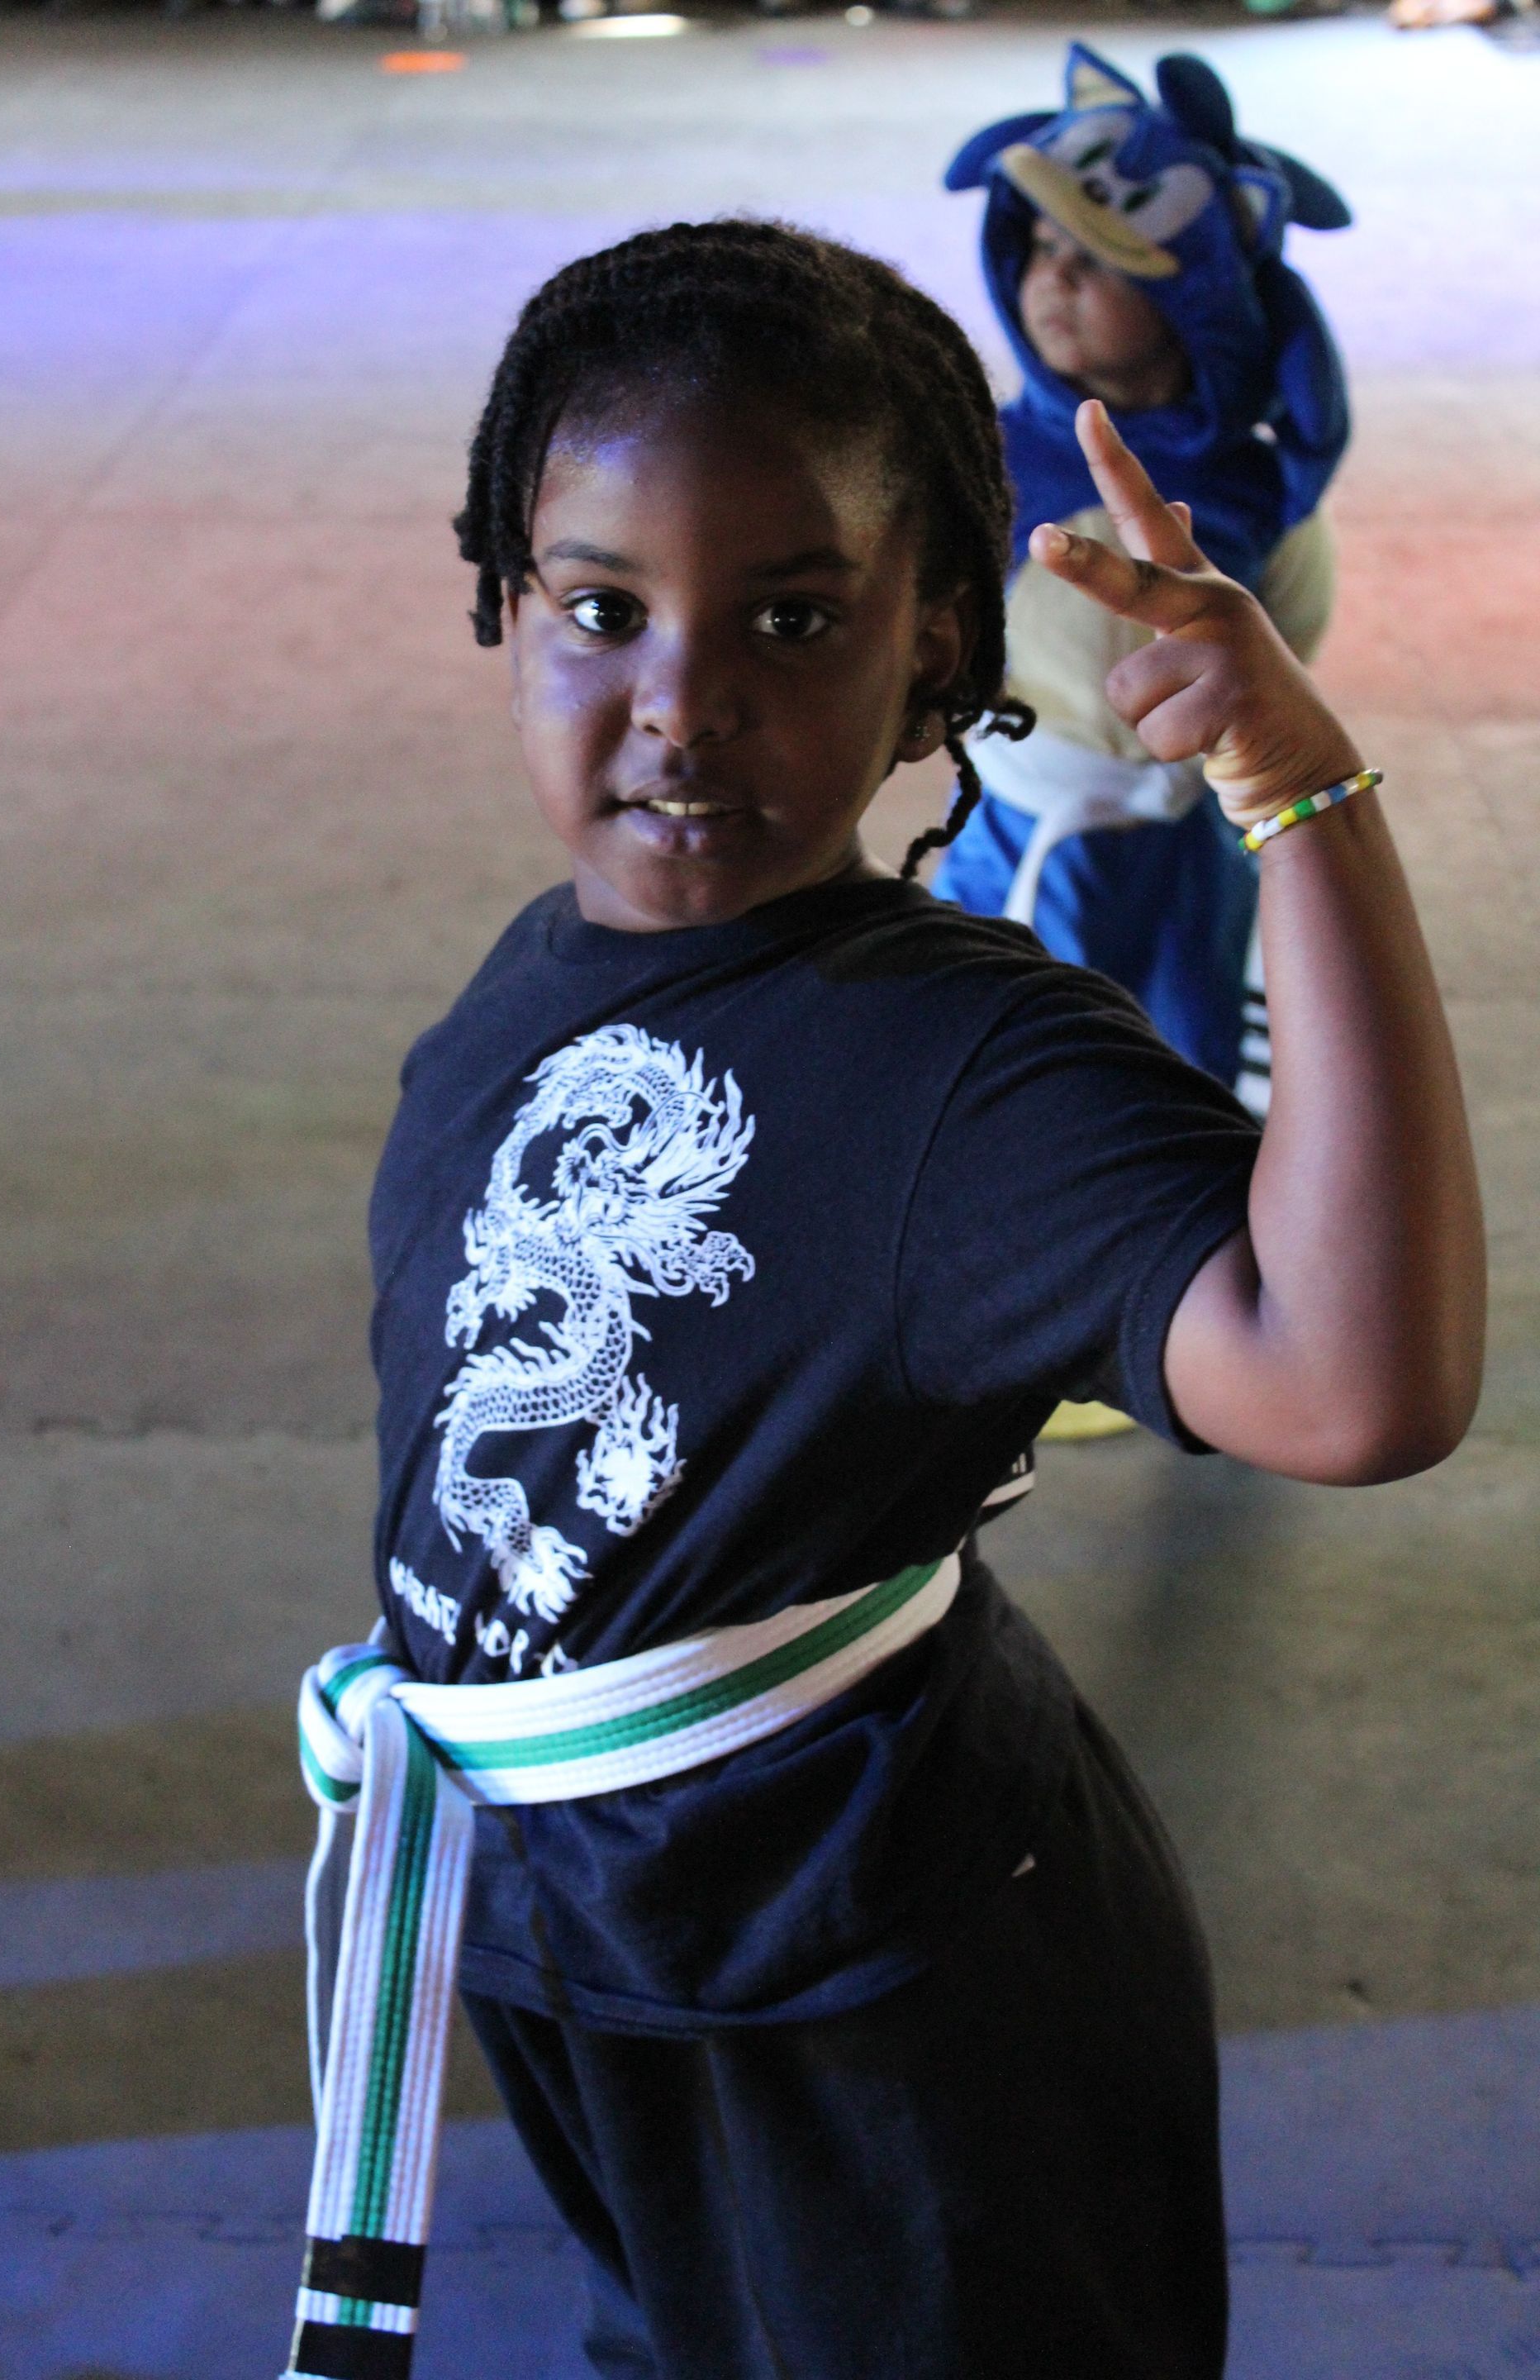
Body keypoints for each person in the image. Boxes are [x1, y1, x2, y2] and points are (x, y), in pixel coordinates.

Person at [284, 222, 1483, 2380]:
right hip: (598, 1941)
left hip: (882, 2010)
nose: (682, 698)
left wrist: (1304, 803)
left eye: (792, 617)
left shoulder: (957, 1066)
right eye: (603, 609)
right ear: (506, 604)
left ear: (934, 646)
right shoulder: (528, 984)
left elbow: (1358, 1385)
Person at [935, 45, 1354, 1108]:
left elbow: (1288, 632)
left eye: (1101, 259)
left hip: (1182, 838)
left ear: (1202, 304)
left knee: (1176, 1065)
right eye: (1040, 245)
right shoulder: (993, 458)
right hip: (1022, 821)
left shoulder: (1251, 494)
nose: (1055, 276)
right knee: (1004, 1052)